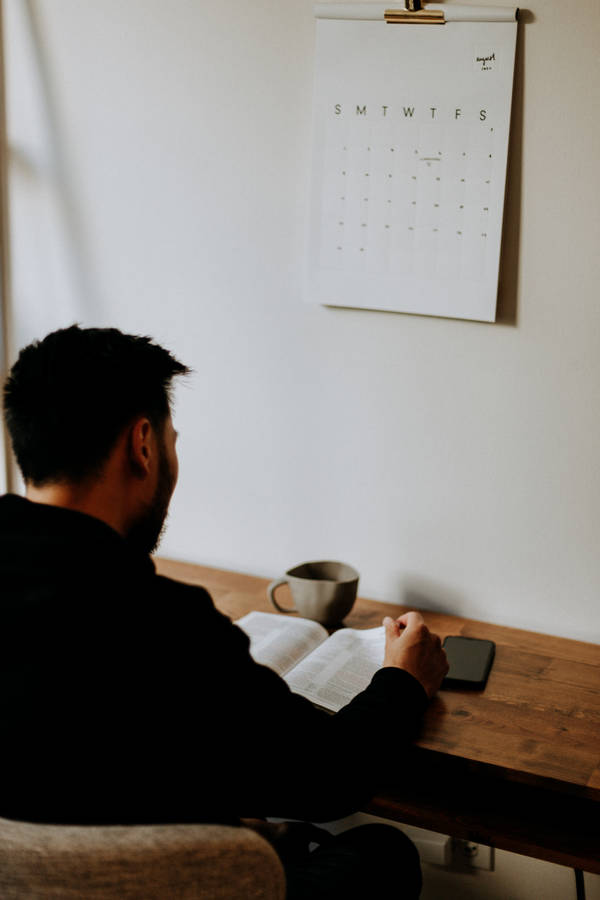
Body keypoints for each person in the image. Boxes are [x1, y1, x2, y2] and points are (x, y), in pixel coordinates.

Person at [0, 325, 448, 898]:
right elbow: (329, 780)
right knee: (381, 852)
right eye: (171, 440)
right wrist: (405, 680)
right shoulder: (162, 623)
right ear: (143, 445)